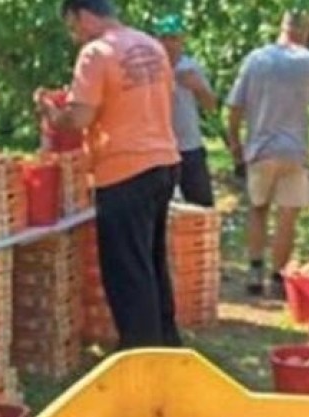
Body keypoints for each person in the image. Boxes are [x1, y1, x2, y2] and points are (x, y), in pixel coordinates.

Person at [37, 0, 182, 349]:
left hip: (124, 169)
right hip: (163, 159)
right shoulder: (151, 45)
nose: (74, 35)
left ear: (82, 15)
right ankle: (166, 343)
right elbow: (164, 97)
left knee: (127, 272)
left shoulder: (96, 53)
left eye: (72, 25)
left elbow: (80, 118)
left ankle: (141, 354)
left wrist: (52, 114)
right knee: (151, 261)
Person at [226, 9, 309, 297]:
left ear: (281, 27)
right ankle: (279, 276)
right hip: (295, 149)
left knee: (257, 209)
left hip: (260, 147)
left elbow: (235, 106)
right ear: (306, 32)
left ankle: (255, 269)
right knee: (287, 215)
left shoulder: (257, 59)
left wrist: (235, 143)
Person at [153, 14, 218, 208]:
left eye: (174, 38)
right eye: (164, 38)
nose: (169, 44)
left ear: (182, 40)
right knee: (162, 205)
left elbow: (211, 105)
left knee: (201, 203)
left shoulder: (191, 67)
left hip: (190, 146)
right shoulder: (151, 68)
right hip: (159, 148)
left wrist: (198, 87)